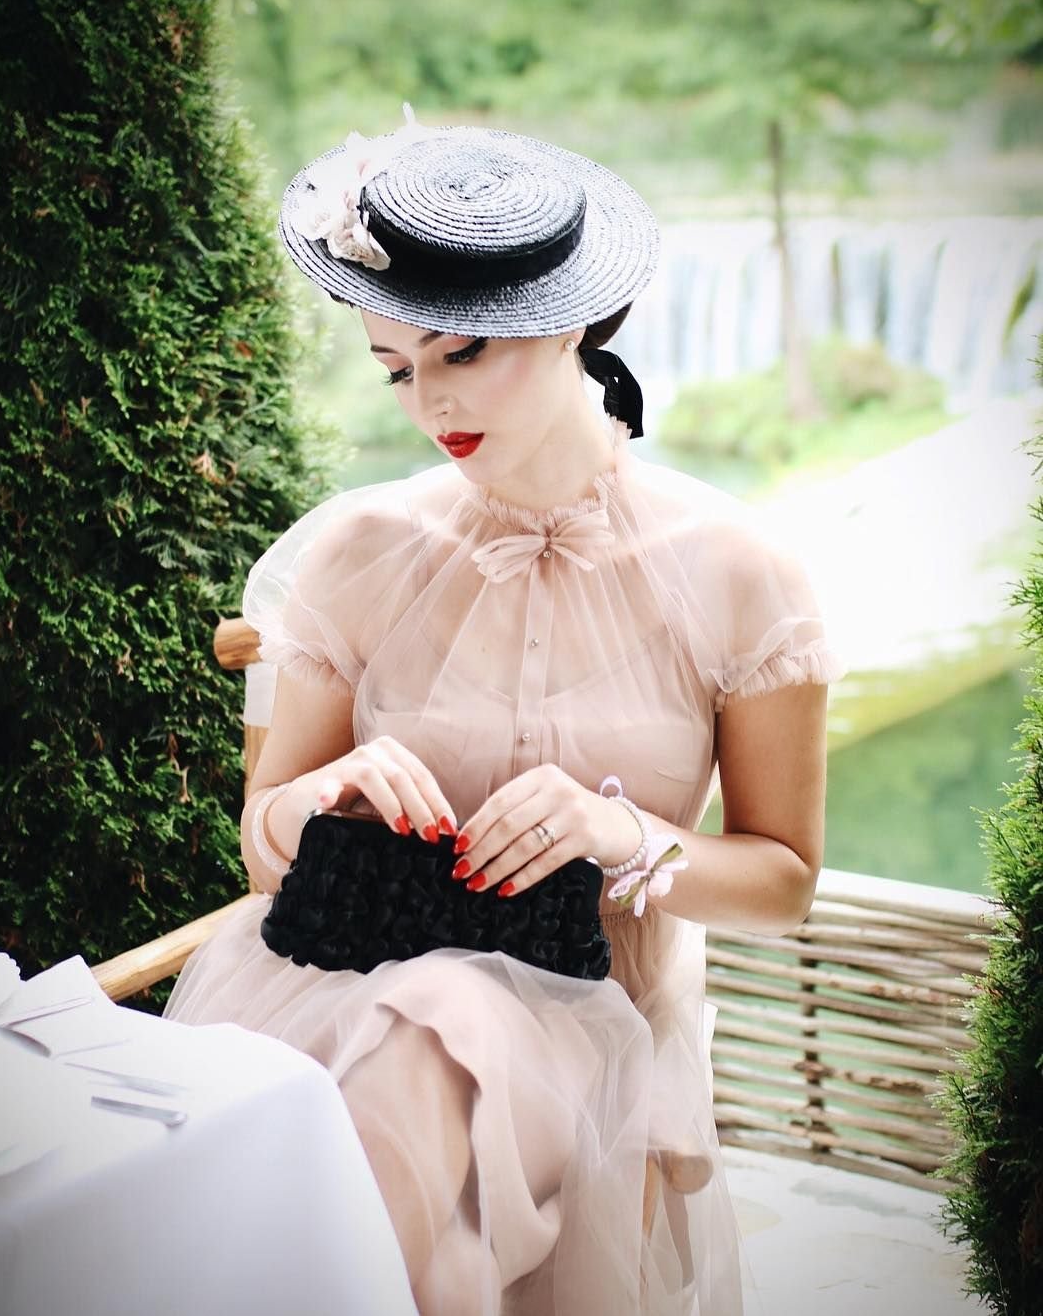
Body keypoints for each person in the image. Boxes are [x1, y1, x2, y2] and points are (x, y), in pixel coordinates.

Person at [165, 113, 842, 1316]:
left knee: (427, 1061)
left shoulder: (741, 571)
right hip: (345, 989)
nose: (429, 402)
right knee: (413, 1064)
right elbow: (262, 851)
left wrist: (620, 835)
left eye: (462, 352)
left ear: (568, 318)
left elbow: (784, 882)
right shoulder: (360, 551)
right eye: (396, 369)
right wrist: (320, 794)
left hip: (603, 1019)